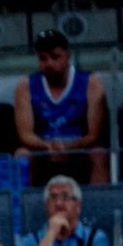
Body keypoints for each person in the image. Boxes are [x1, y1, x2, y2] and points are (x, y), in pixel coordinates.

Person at [13, 28, 109, 185]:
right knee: (21, 155)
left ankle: (100, 200)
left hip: (79, 147)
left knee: (99, 153)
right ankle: (21, 201)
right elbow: (25, 134)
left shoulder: (91, 83)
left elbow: (94, 135)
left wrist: (68, 147)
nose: (49, 63)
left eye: (55, 57)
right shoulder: (25, 86)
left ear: (67, 56)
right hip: (42, 148)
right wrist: (48, 146)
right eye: (43, 58)